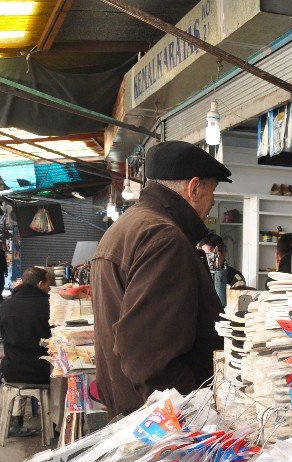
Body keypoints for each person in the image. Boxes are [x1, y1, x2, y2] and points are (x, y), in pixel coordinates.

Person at [92, 141, 231, 416]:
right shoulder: (164, 238)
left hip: (132, 409)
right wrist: (195, 413)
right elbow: (148, 356)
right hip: (159, 420)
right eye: (212, 190)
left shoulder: (129, 225)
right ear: (194, 188)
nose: (213, 202)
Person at [0, 266, 52, 437]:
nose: (50, 287)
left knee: (21, 361)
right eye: (48, 283)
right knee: (61, 371)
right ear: (41, 283)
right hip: (41, 372)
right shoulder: (46, 305)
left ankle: (15, 421)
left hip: (12, 369)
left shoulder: (7, 304)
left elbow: (3, 335)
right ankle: (55, 424)